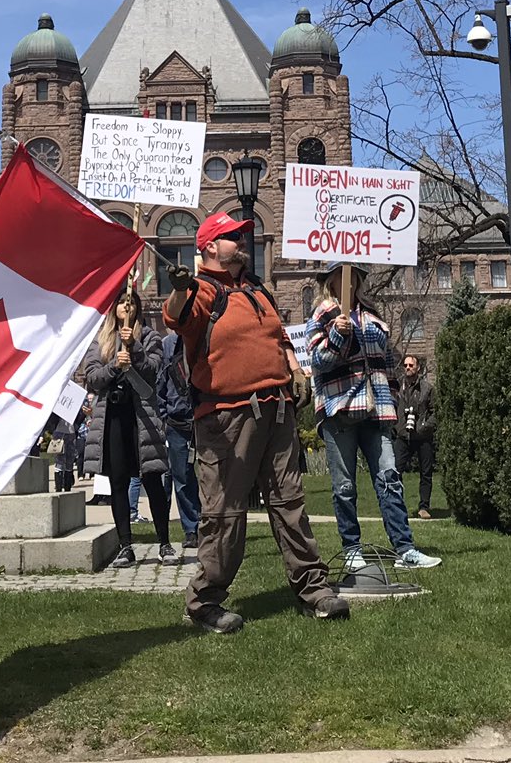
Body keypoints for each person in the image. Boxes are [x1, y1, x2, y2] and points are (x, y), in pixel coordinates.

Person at [163, 211, 348, 633]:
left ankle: (314, 589)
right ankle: (205, 602)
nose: (241, 242)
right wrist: (178, 290)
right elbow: (176, 317)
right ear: (209, 246)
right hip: (226, 418)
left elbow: (280, 338)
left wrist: (296, 371)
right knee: (224, 513)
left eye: (242, 236)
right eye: (232, 237)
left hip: (276, 411)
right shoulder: (202, 290)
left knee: (290, 505)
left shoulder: (256, 289)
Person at [308, 268, 441, 572]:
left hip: (375, 410)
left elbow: (389, 360)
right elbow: (318, 361)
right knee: (344, 486)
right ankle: (352, 548)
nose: (348, 281)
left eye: (353, 275)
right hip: (339, 408)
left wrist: (391, 395)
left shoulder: (371, 313)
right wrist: (336, 337)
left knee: (390, 478)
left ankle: (405, 548)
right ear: (330, 281)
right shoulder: (323, 314)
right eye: (340, 275)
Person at [80, 286, 176, 567]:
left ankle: (165, 543)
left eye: (131, 303)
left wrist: (133, 350)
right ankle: (126, 546)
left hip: (141, 418)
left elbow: (154, 369)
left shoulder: (149, 337)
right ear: (114, 309)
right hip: (112, 417)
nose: (126, 307)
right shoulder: (100, 340)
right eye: (122, 303)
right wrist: (114, 366)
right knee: (118, 482)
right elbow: (93, 377)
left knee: (152, 479)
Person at [155, 325, 202, 550]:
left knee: (209, 476)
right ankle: (191, 529)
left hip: (202, 418)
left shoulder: (203, 338)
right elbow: (160, 383)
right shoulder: (168, 345)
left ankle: (210, 526)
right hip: (177, 421)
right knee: (182, 477)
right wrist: (164, 414)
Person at [395, 353, 438, 520]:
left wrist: (425, 427)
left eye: (410, 365)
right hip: (403, 436)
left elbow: (436, 412)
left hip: (422, 437)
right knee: (396, 471)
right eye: (405, 365)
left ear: (418, 367)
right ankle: (398, 507)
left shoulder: (427, 388)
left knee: (426, 473)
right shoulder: (398, 387)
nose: (407, 368)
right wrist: (395, 427)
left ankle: (424, 507)